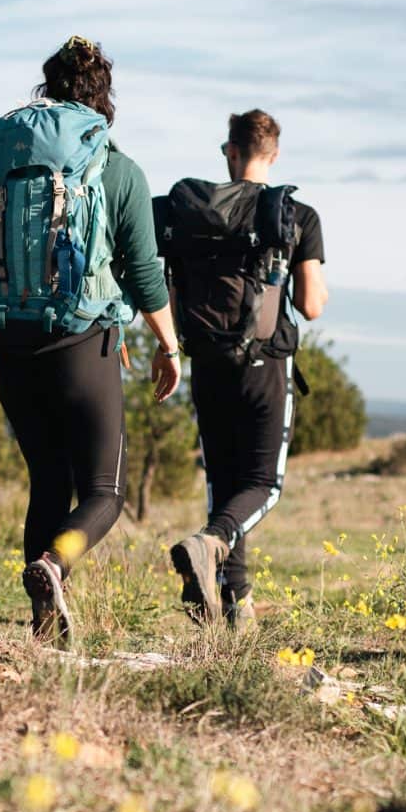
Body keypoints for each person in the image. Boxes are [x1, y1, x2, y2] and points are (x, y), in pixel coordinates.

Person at [0, 36, 181, 642]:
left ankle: (44, 630)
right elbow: (145, 274)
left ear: (49, 90)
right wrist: (169, 347)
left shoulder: (8, 166)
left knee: (47, 481)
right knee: (104, 492)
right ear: (103, 99)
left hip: (13, 343)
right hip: (84, 347)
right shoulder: (118, 169)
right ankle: (55, 565)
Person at [158, 107, 327, 625]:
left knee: (224, 482)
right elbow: (311, 304)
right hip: (265, 364)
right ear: (273, 155)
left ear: (230, 152)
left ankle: (236, 603)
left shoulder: (188, 212)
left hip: (207, 363)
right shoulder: (297, 215)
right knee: (262, 484)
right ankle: (212, 544)